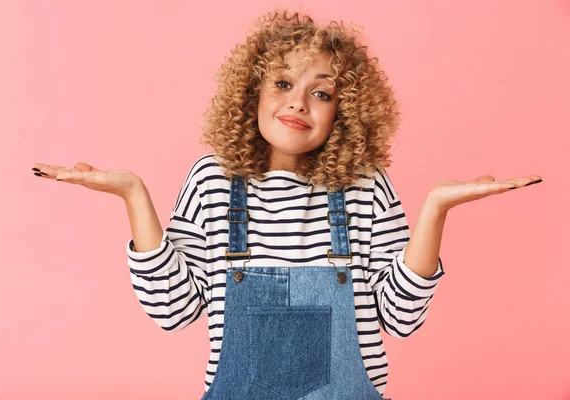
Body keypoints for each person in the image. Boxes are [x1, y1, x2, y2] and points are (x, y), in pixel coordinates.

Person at [31, 9, 542, 400]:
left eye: (322, 93)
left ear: (346, 113)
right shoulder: (213, 181)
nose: (298, 102)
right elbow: (173, 309)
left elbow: (400, 318)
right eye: (282, 84)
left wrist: (435, 210)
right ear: (251, 94)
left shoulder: (366, 186)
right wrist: (133, 195)